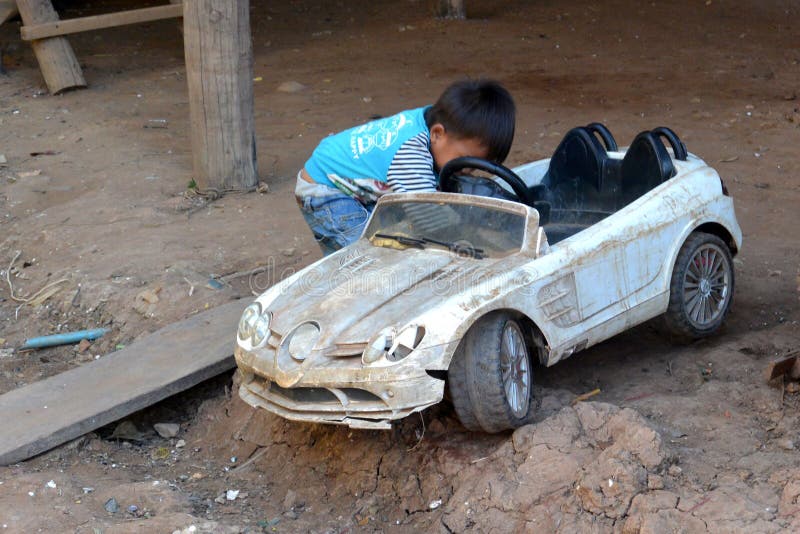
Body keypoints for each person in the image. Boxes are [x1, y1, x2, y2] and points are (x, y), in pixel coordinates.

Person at [295, 78, 516, 254]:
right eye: (463, 163)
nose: (466, 172)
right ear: (437, 134)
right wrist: (469, 237)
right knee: (365, 257)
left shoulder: (436, 120)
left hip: (345, 177)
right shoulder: (411, 154)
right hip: (328, 192)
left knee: (377, 242)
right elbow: (428, 216)